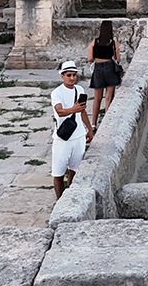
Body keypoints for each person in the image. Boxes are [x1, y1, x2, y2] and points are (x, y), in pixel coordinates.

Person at [50, 60, 93, 198]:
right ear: (62, 76)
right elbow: (60, 111)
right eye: (69, 75)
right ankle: (59, 199)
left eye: (74, 75)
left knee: (75, 169)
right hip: (63, 138)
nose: (72, 78)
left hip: (78, 136)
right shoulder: (57, 93)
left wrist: (89, 128)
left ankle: (70, 195)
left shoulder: (79, 90)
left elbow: (82, 111)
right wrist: (73, 109)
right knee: (58, 172)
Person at [86, 20, 122, 129]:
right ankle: (107, 124)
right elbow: (118, 59)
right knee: (108, 98)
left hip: (98, 69)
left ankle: (93, 124)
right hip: (110, 68)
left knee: (97, 98)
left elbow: (89, 59)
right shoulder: (113, 42)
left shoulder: (94, 42)